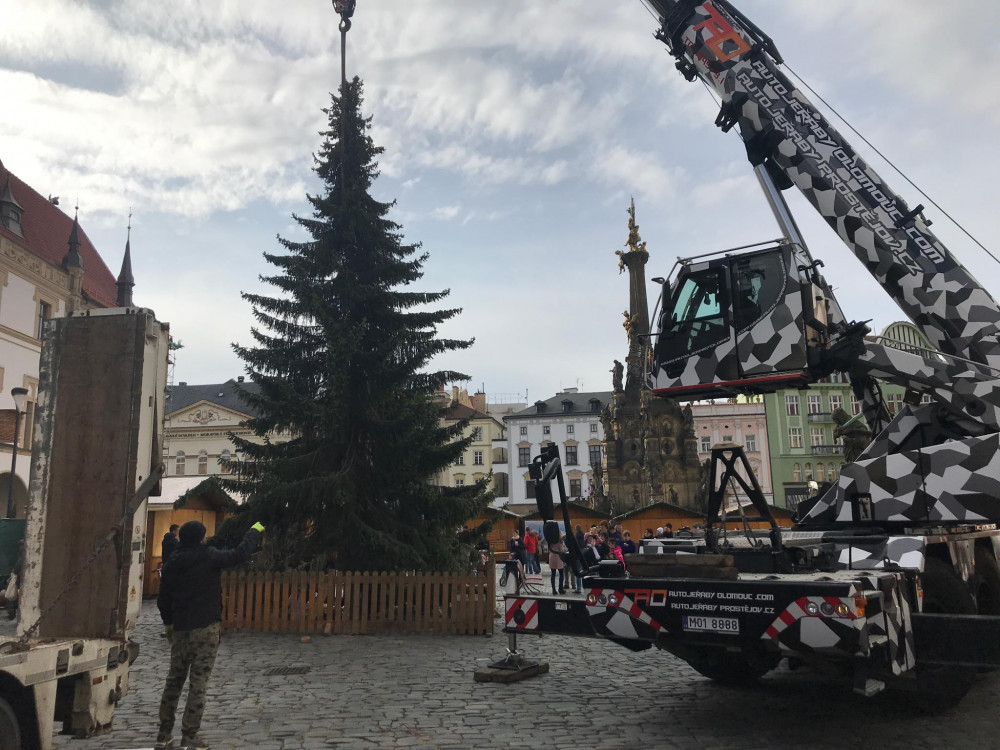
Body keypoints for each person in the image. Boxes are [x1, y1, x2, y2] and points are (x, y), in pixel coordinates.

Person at [155, 520, 264, 750]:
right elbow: (239, 554)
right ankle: (189, 735)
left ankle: (164, 734)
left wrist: (168, 622)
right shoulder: (208, 556)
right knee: (198, 683)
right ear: (200, 538)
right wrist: (254, 531)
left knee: (174, 681)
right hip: (205, 628)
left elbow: (163, 597)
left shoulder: (173, 562)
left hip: (181, 629)